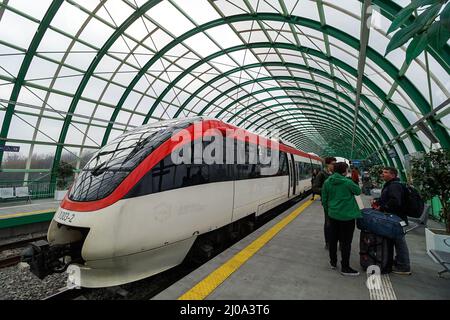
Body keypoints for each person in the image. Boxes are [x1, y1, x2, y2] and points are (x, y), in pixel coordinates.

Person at [321, 162, 362, 276]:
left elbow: (324, 199)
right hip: (347, 217)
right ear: (345, 171)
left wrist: (329, 211)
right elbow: (358, 191)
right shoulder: (348, 182)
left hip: (333, 215)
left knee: (333, 239)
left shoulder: (327, 182)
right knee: (346, 242)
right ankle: (345, 267)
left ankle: (333, 262)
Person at [371, 167, 411, 275]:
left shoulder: (394, 186)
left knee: (399, 241)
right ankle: (399, 262)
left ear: (393, 175)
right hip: (394, 218)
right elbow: (388, 198)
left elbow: (395, 201)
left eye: (386, 172)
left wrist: (382, 207)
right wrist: (378, 201)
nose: (382, 174)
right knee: (396, 241)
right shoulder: (391, 185)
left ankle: (404, 266)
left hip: (397, 219)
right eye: (382, 172)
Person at [312, 157, 337, 250]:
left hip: (337, 202)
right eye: (333, 164)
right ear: (328, 164)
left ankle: (335, 240)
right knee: (328, 223)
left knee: (336, 223)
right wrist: (326, 191)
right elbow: (315, 188)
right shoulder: (321, 174)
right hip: (327, 203)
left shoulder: (336, 174)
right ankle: (328, 242)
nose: (334, 165)